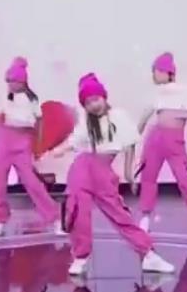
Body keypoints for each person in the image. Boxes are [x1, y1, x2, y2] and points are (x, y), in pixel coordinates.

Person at [56, 73, 175, 277]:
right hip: (82, 169)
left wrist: (129, 173)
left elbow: (129, 145)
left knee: (119, 214)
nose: (93, 105)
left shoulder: (119, 116)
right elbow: (73, 141)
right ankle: (81, 257)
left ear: (104, 97)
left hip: (103, 171)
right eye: (88, 103)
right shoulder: (86, 122)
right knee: (78, 213)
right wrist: (56, 150)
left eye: (96, 99)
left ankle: (148, 255)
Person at [0, 57, 60, 237]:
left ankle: (54, 217)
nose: (11, 84)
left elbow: (37, 122)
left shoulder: (32, 100)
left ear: (23, 82)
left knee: (32, 182)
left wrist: (38, 144)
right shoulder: (2, 97)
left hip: (22, 143)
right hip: (3, 142)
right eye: (9, 81)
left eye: (14, 81)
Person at [136, 52, 187, 234]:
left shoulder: (185, 90)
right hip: (156, 139)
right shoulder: (157, 93)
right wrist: (135, 134)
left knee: (185, 180)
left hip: (175, 140)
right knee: (148, 177)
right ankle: (145, 216)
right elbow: (146, 114)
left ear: (166, 72)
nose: (154, 76)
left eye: (156, 71)